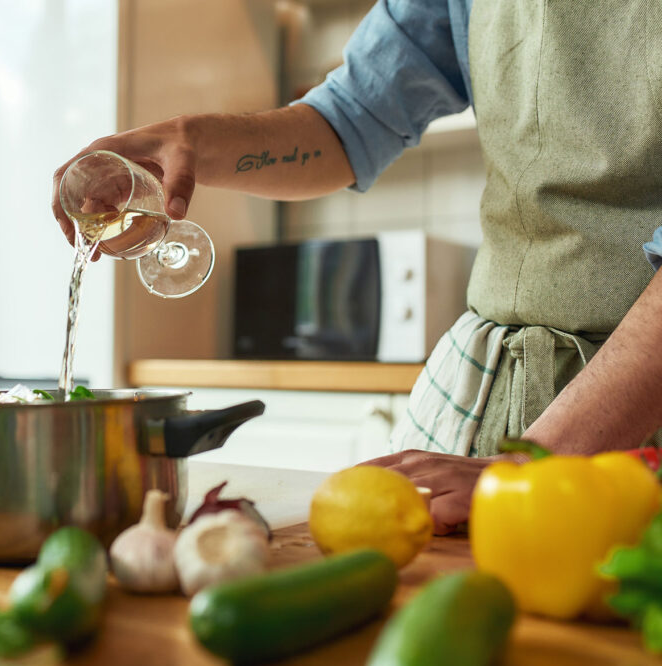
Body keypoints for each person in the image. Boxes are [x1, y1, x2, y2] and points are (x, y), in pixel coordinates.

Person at [52, 0, 662, 534]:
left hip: (635, 415)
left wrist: (531, 467)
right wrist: (188, 140)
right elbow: (351, 119)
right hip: (497, 393)